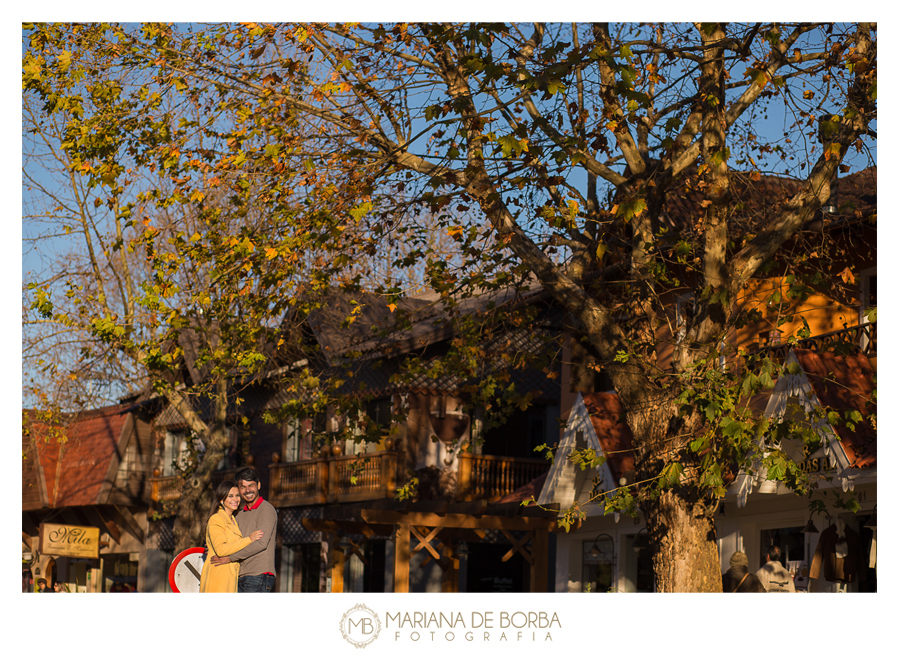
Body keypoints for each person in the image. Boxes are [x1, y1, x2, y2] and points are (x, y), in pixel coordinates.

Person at [208, 467, 278, 592]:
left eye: (251, 485)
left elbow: (261, 543)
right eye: (243, 487)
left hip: (258, 574)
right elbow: (231, 542)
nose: (247, 490)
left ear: (259, 485)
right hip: (239, 574)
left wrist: (229, 558)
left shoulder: (266, 509)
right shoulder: (238, 514)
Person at [199, 480, 265, 593]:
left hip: (231, 576)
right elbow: (221, 549)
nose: (235, 499)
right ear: (221, 499)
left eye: (237, 495)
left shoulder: (233, 519)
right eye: (230, 496)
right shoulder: (217, 519)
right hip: (218, 577)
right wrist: (249, 539)